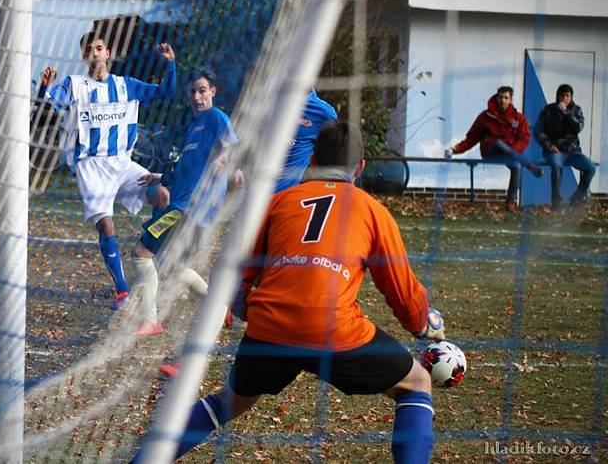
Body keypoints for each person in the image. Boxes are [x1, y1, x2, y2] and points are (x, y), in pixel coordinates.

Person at [132, 120, 446, 464]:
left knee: (227, 403)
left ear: (311, 159)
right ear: (360, 167)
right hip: (336, 331)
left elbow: (238, 273)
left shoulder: (278, 201)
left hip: (270, 329)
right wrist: (424, 325)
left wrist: (257, 314)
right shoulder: (373, 211)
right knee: (415, 383)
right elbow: (401, 289)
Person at [36, 31, 176, 310]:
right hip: (90, 164)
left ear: (108, 53)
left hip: (121, 163)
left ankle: (151, 248)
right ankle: (122, 291)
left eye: (99, 47)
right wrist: (44, 87)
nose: (95, 52)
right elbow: (48, 106)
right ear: (84, 56)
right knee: (106, 223)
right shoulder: (74, 84)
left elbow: (166, 94)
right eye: (89, 48)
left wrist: (170, 64)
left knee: (162, 196)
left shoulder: (126, 85)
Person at [131, 68, 240, 337]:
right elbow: (186, 171)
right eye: (192, 91)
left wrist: (224, 161)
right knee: (171, 267)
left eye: (202, 90)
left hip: (190, 208)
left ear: (212, 92)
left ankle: (149, 320)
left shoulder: (216, 118)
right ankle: (218, 307)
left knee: (142, 253)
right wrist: (159, 176)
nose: (196, 96)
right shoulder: (193, 129)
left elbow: (231, 147)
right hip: (181, 204)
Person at [446, 86, 542, 211]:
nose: (503, 100)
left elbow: (524, 138)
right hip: (490, 152)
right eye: (500, 97)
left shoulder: (519, 118)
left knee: (517, 166)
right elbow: (472, 138)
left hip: (509, 154)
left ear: (511, 100)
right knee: (498, 143)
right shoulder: (485, 116)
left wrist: (513, 150)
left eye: (506, 98)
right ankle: (530, 165)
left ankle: (510, 203)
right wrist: (455, 149)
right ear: (496, 98)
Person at [533, 83, 596, 208]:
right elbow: (538, 131)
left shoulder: (576, 110)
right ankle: (556, 202)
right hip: (554, 150)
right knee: (556, 167)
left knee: (590, 168)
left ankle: (577, 197)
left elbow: (577, 128)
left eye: (567, 95)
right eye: (561, 95)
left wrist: (566, 113)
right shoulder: (548, 110)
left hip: (573, 151)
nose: (564, 98)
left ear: (571, 97)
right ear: (557, 96)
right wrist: (548, 145)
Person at [274, 89, 338, 193]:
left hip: (283, 197)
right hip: (245, 193)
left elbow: (333, 157)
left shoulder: (324, 114)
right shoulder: (262, 101)